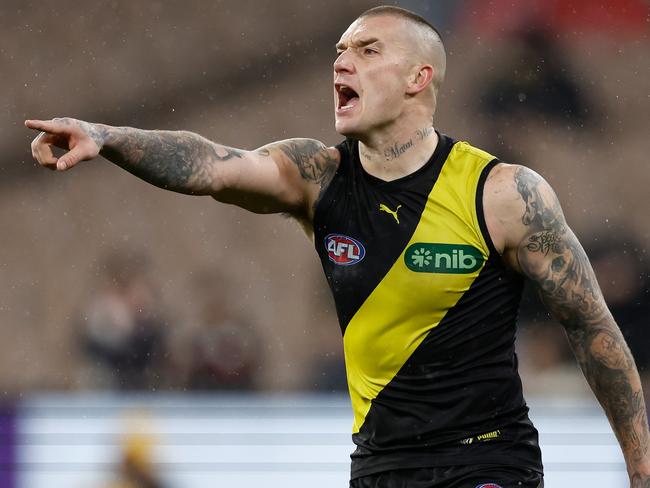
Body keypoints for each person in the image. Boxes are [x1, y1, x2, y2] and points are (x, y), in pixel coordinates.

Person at [25, 5, 649, 488]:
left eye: (366, 49)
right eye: (339, 50)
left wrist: (641, 468)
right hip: (378, 468)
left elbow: (593, 328)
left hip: (488, 461)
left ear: (417, 77)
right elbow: (211, 166)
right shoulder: (318, 178)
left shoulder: (502, 193)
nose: (341, 62)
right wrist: (105, 136)